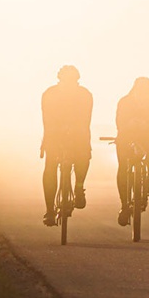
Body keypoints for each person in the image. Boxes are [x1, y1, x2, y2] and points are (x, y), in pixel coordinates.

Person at [40, 65, 93, 226]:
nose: (69, 83)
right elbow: (46, 117)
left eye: (72, 80)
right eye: (65, 80)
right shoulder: (49, 94)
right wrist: (49, 135)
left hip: (78, 132)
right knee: (50, 166)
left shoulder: (85, 94)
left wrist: (78, 130)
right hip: (54, 132)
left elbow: (86, 118)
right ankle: (50, 210)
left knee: (83, 156)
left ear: (77, 80)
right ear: (59, 79)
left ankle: (79, 187)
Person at [115, 77, 149, 226]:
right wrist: (130, 125)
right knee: (123, 167)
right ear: (134, 90)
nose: (143, 95)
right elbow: (119, 122)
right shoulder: (125, 102)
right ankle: (124, 205)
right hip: (126, 137)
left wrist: (148, 128)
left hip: (148, 137)